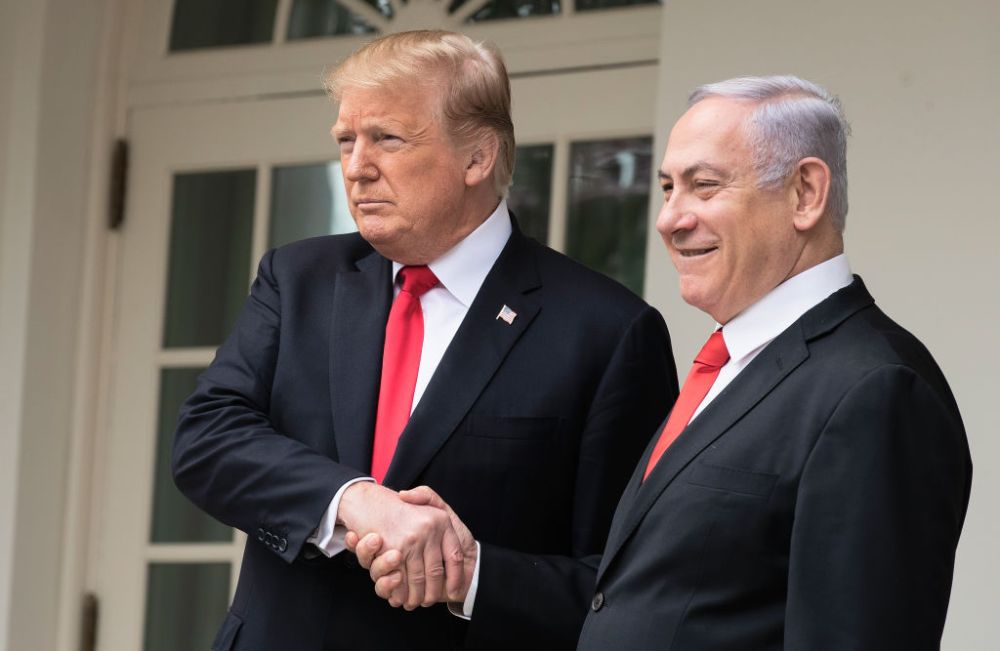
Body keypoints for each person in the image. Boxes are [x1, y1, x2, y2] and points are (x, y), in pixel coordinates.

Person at [355, 75, 972, 649]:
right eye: (669, 188)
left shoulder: (876, 389)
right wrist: (469, 571)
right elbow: (636, 596)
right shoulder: (730, 366)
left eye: (705, 186)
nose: (670, 220)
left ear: (805, 193)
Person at [171, 30, 677, 651]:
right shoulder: (297, 278)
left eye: (386, 138)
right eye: (345, 141)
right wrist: (352, 501)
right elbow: (206, 441)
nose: (357, 166)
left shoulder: (608, 332)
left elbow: (623, 587)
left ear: (477, 157)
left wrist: (468, 574)